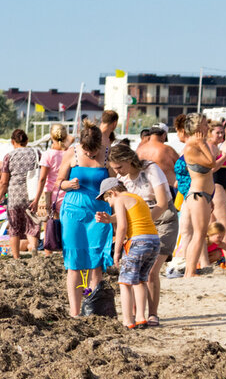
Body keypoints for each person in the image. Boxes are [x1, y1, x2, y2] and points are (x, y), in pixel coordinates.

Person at [108, 143, 174, 326]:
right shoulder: (125, 179)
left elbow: (162, 202)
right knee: (140, 274)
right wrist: (109, 219)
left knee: (151, 272)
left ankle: (152, 314)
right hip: (142, 227)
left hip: (163, 218)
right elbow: (128, 211)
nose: (118, 173)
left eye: (119, 167)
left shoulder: (151, 169)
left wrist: (144, 226)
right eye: (114, 170)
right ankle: (139, 315)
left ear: (129, 160)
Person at [57, 124, 112, 317]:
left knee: (95, 261)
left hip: (98, 213)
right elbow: (59, 182)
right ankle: (75, 312)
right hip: (74, 211)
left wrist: (109, 194)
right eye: (86, 150)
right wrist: (68, 184)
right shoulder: (72, 153)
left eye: (93, 150)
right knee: (74, 262)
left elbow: (115, 185)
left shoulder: (107, 155)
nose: (89, 153)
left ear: (100, 143)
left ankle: (92, 310)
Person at [95, 178, 160, 329]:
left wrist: (117, 251)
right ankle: (141, 318)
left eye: (107, 198)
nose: (108, 203)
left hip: (137, 241)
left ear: (112, 192)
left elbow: (123, 226)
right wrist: (110, 219)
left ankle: (128, 321)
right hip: (153, 241)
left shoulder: (119, 199)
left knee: (124, 282)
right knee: (139, 280)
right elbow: (131, 216)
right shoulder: (135, 198)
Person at [181, 113, 216, 278]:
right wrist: (203, 143)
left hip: (204, 195)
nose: (207, 127)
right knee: (199, 234)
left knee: (199, 234)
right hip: (197, 195)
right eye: (204, 124)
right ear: (197, 127)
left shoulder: (200, 144)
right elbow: (211, 162)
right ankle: (190, 271)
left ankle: (190, 270)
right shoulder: (191, 146)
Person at [0, 130, 41, 259]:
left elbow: (3, 181)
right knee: (32, 225)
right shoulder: (37, 153)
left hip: (14, 196)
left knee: (14, 228)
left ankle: (16, 256)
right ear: (27, 141)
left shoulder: (9, 156)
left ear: (13, 142)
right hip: (32, 194)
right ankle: (34, 248)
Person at [32, 125, 68, 254]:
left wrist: (36, 199)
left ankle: (48, 256)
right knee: (64, 226)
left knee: (49, 228)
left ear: (51, 136)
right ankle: (63, 253)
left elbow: (42, 179)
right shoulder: (69, 153)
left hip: (50, 193)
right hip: (65, 192)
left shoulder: (48, 154)